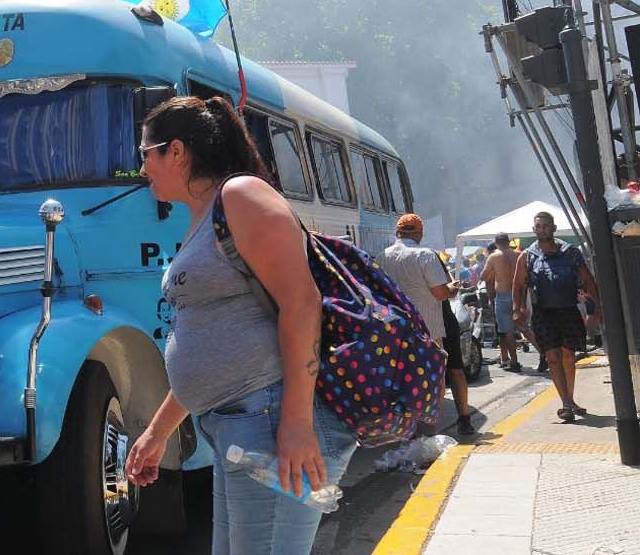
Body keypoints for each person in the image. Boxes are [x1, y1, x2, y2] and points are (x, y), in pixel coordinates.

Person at [122, 97, 358, 555]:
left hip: (269, 423)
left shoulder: (241, 196)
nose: (141, 168)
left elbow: (302, 303)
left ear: (175, 151)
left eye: (144, 154)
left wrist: (295, 423)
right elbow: (209, 344)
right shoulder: (203, 216)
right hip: (240, 426)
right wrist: (157, 433)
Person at [380, 215, 474, 435]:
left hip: (398, 330)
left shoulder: (382, 256)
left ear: (398, 232)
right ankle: (432, 431)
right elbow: (441, 293)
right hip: (430, 329)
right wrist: (453, 288)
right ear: (419, 233)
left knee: (406, 379)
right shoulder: (425, 254)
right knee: (436, 377)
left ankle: (408, 431)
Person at [512, 211, 599, 422]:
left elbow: (587, 279)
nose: (542, 229)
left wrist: (597, 306)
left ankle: (570, 399)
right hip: (543, 313)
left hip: (568, 310)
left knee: (568, 356)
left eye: (545, 226)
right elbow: (519, 284)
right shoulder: (527, 256)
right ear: (534, 230)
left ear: (553, 228)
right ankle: (566, 404)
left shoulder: (571, 252)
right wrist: (517, 308)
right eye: (538, 226)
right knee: (552, 358)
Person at [481, 233, 523, 372]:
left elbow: (483, 276)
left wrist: (494, 271)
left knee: (508, 332)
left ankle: (514, 361)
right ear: (508, 241)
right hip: (519, 295)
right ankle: (543, 355)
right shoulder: (518, 254)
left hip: (503, 296)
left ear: (496, 243)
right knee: (526, 328)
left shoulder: (494, 257)